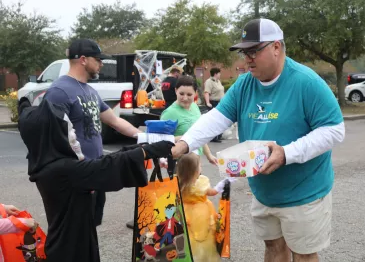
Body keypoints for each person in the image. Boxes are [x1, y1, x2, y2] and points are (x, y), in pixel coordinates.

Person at [171, 18, 345, 262]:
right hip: (265, 192)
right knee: (273, 247)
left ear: (276, 47)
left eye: (254, 51)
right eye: (244, 52)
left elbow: (334, 130)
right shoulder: (244, 84)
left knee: (304, 254)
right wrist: (185, 143)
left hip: (304, 191)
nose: (247, 58)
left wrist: (286, 153)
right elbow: (217, 118)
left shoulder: (307, 82)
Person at [18, 99, 174, 262]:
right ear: (54, 137)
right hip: (70, 252)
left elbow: (104, 161)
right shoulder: (63, 170)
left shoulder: (49, 165)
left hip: (69, 243)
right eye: (69, 131)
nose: (75, 136)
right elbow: (108, 166)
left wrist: (146, 151)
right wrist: (156, 148)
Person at [43, 38, 142, 227]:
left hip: (94, 174)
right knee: (73, 232)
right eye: (97, 59)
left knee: (89, 228)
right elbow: (53, 139)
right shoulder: (59, 91)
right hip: (76, 179)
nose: (101, 64)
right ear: (82, 59)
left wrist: (146, 137)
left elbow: (114, 121)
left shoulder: (90, 91)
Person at [176, 153, 231, 262]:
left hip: (184, 213)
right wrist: (222, 184)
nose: (201, 167)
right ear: (195, 171)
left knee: (187, 238)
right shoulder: (201, 183)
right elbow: (212, 192)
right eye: (200, 165)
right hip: (202, 215)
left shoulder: (178, 183)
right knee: (205, 239)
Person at [160, 75, 217, 165]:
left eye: (189, 94)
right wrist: (180, 138)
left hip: (196, 161)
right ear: (176, 91)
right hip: (179, 163)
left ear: (195, 93)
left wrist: (209, 155)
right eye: (181, 94)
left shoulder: (195, 107)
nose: (185, 98)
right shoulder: (169, 113)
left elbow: (199, 134)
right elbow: (160, 140)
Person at [204, 67, 225, 143]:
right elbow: (207, 92)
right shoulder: (209, 82)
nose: (220, 75)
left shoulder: (218, 81)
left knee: (220, 120)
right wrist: (207, 102)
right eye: (219, 73)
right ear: (215, 74)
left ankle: (219, 135)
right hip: (213, 102)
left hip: (220, 102)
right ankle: (213, 137)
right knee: (215, 120)